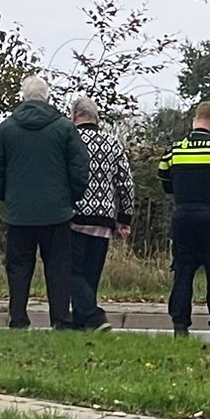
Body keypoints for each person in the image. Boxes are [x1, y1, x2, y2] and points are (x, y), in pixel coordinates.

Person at [0, 75, 89, 331]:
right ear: (48, 98)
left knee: (18, 268)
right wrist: (71, 197)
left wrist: (6, 196)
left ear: (22, 98)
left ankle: (18, 318)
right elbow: (79, 168)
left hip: (19, 213)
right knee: (58, 268)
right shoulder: (65, 128)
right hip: (57, 212)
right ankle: (60, 319)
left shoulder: (6, 129)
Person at [157, 101, 210, 341]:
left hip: (183, 217)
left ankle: (180, 327)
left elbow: (164, 180)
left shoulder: (175, 148)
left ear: (195, 119)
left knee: (183, 273)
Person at [67, 95, 134, 332]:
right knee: (90, 275)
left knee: (70, 272)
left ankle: (94, 317)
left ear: (74, 116)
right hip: (104, 220)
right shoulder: (112, 143)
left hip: (74, 216)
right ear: (96, 117)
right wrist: (124, 218)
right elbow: (125, 183)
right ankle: (81, 323)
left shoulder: (71, 140)